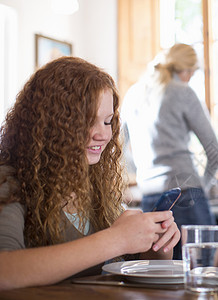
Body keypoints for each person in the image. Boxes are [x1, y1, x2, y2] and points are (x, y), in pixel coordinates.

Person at [0, 57, 180, 290]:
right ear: (50, 125)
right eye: (86, 122)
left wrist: (157, 244)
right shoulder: (10, 180)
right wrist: (116, 239)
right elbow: (5, 272)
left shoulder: (93, 182)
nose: (103, 135)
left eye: (107, 122)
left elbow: (134, 265)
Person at [121, 44, 218, 260]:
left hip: (150, 200)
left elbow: (118, 151)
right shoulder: (183, 92)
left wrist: (142, 174)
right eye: (192, 73)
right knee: (203, 272)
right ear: (185, 70)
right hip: (187, 194)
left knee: (157, 276)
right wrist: (200, 187)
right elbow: (215, 152)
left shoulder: (133, 95)